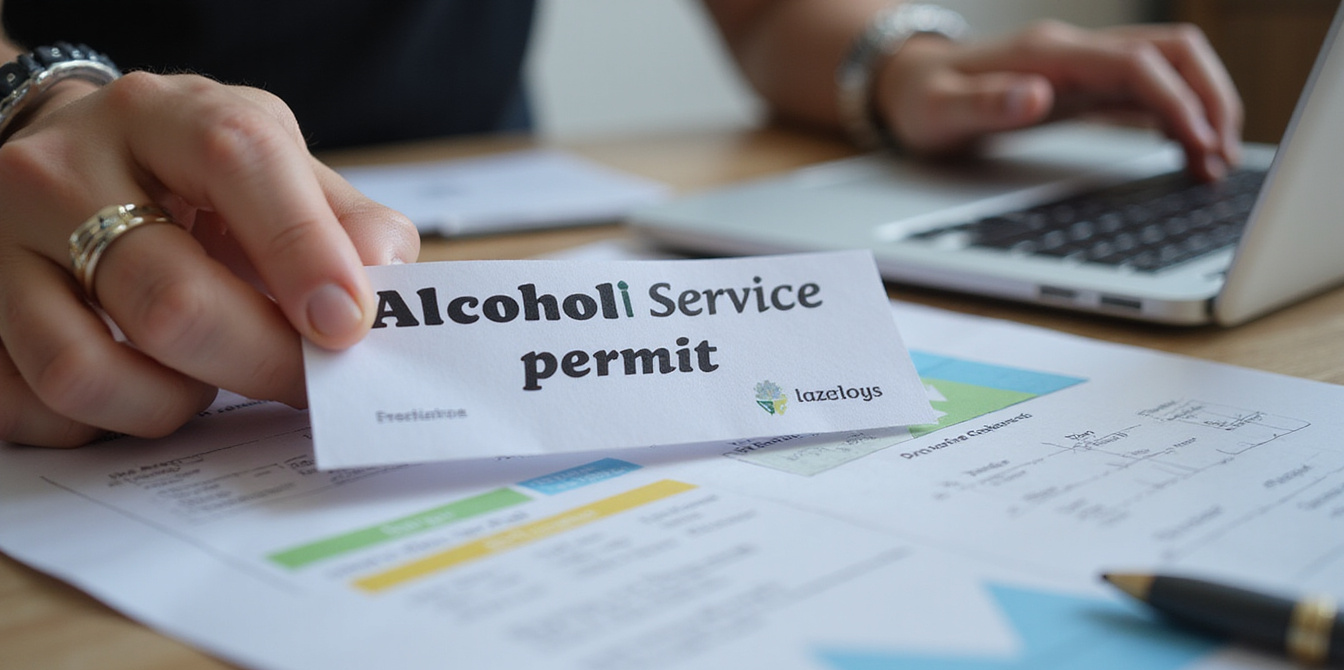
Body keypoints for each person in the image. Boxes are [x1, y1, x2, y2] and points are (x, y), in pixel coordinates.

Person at [0, 0, 1242, 448]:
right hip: (78, 224)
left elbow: (765, 16)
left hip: (488, 225)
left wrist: (900, 64)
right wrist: (25, 96)